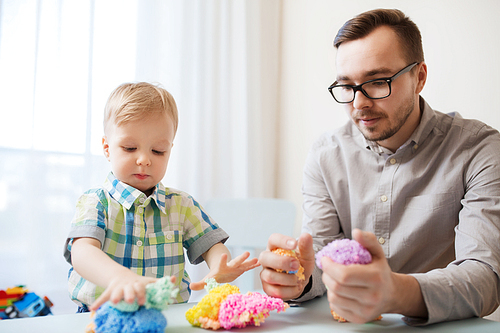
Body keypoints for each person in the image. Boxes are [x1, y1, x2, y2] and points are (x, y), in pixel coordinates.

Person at [259, 9, 500, 326]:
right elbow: (319, 258)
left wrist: (395, 292)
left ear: (419, 77)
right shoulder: (326, 154)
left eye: (376, 82)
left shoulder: (479, 149)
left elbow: (486, 278)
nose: (359, 103)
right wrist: (297, 279)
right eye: (347, 86)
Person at [63, 82, 259, 312]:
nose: (144, 159)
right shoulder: (96, 202)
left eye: (158, 151)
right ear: (107, 148)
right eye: (129, 148)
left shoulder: (182, 205)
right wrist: (118, 277)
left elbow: (212, 246)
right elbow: (82, 252)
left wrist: (219, 265)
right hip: (101, 314)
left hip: (168, 315)